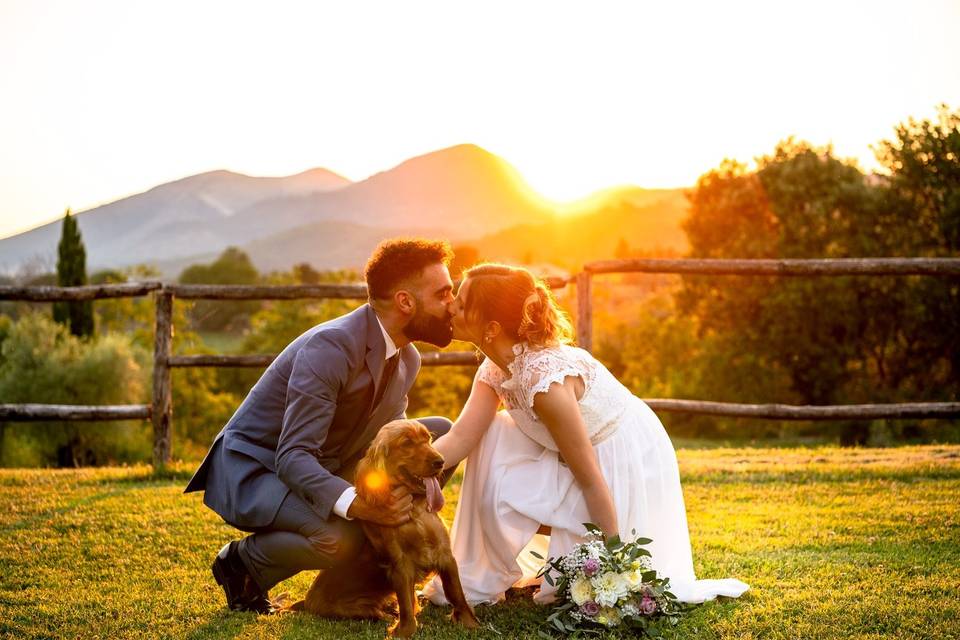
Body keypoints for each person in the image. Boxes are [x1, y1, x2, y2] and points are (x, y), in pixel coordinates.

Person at [423, 263, 749, 606]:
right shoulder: (494, 368)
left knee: (586, 558)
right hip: (573, 451)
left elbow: (590, 476)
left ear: (490, 328)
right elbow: (460, 437)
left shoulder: (543, 382)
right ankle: (489, 567)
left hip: (623, 453)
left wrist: (614, 564)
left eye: (460, 302)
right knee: (491, 431)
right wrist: (403, 470)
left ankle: (604, 553)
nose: (451, 307)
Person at [184, 238, 457, 613]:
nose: (452, 304)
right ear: (405, 302)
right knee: (338, 537)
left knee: (442, 432)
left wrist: (389, 495)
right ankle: (243, 564)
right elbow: (293, 456)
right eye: (443, 294)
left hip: (327, 461)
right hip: (259, 467)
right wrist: (362, 505)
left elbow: (388, 438)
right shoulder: (330, 348)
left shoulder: (408, 358)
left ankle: (366, 581)